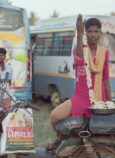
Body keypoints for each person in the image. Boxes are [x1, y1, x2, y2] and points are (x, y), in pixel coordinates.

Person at [47, 14, 111, 150]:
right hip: (80, 97)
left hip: (99, 100)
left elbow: (106, 78)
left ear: (100, 33)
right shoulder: (79, 50)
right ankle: (60, 138)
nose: (93, 34)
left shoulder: (104, 53)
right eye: (89, 31)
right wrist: (80, 33)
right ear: (86, 32)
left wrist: (110, 103)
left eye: (96, 31)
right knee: (54, 116)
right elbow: (81, 56)